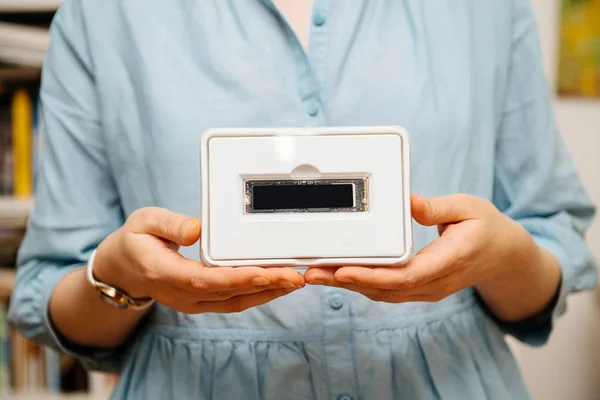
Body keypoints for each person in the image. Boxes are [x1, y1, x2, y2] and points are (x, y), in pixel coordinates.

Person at [8, 0, 597, 399]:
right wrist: (120, 276)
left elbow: (550, 244)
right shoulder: (103, 15)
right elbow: (50, 294)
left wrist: (503, 257)